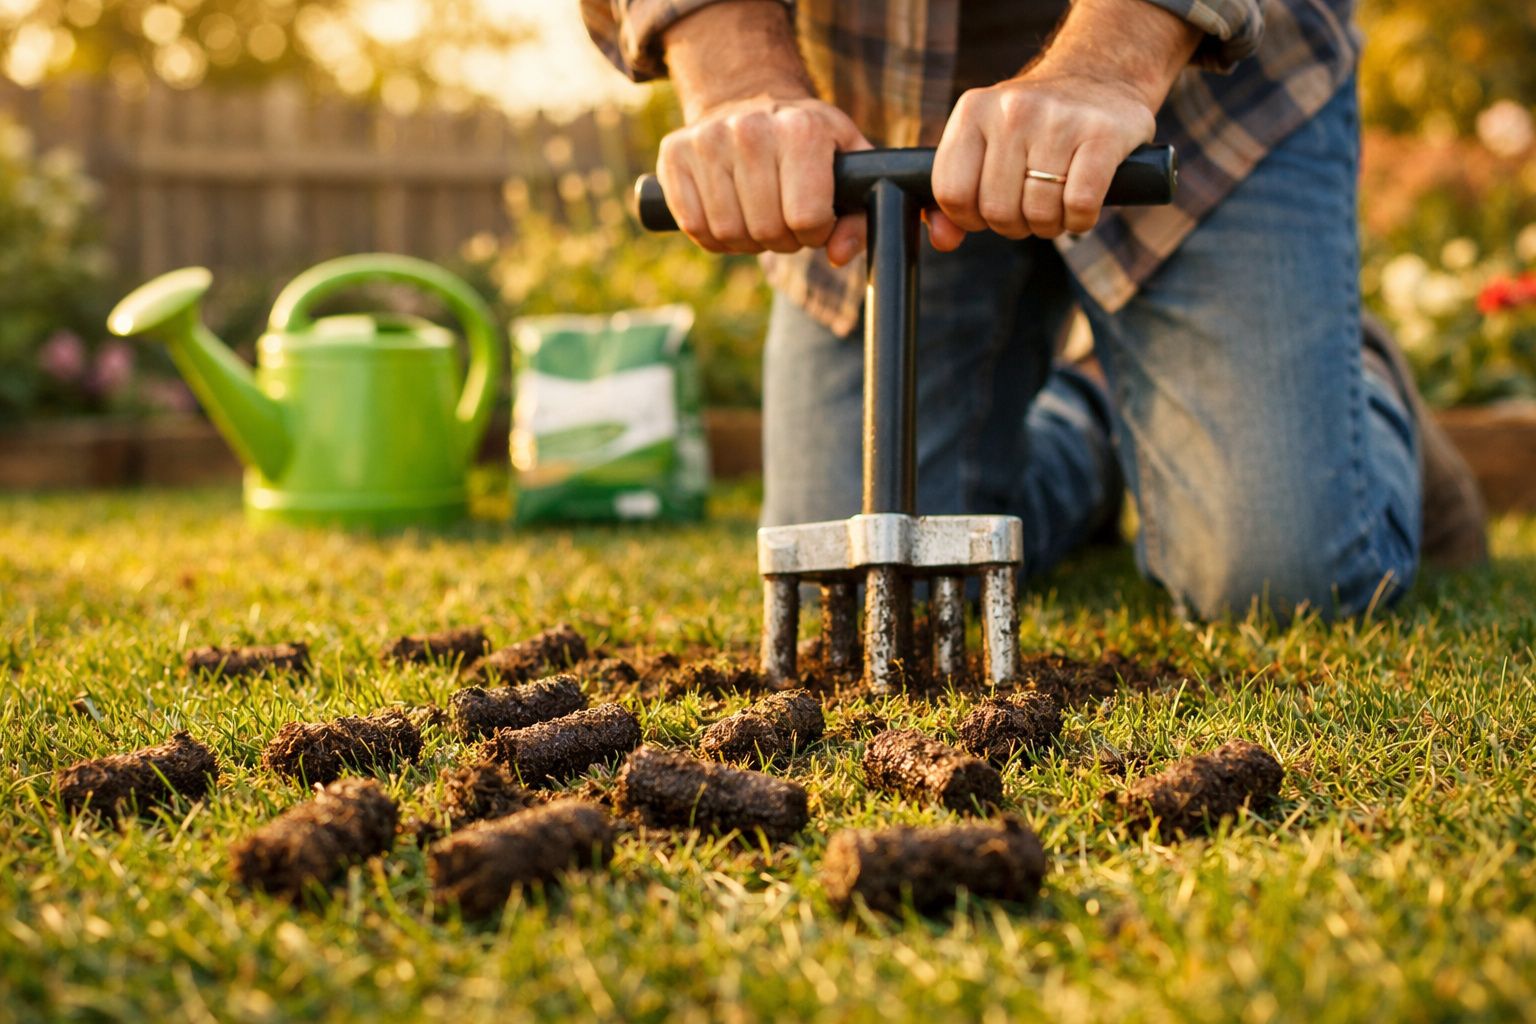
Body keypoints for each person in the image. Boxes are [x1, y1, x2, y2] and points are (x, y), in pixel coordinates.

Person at [581, 0, 1487, 620]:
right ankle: (1095, 416)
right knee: (864, 595)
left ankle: (1347, 373)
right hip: (881, 98)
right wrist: (735, 74)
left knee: (1279, 581)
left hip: (1207, 82)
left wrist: (1109, 63)